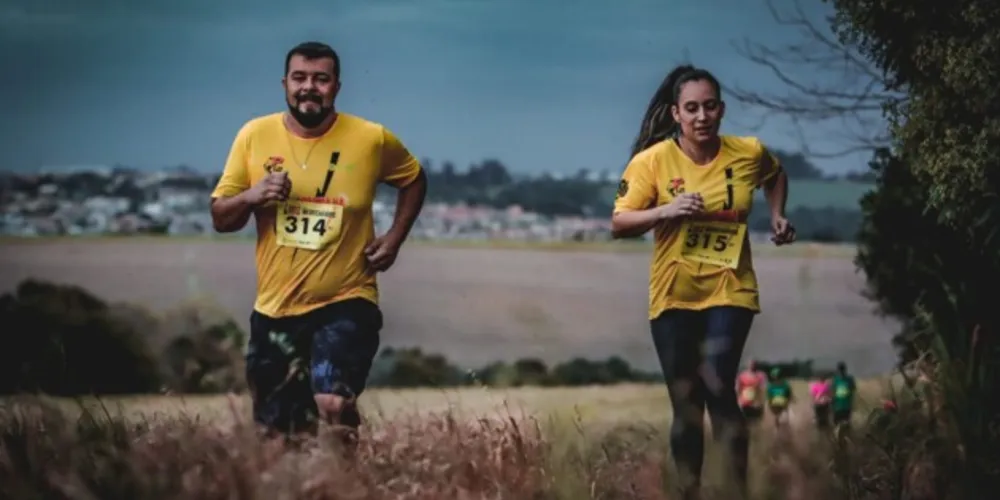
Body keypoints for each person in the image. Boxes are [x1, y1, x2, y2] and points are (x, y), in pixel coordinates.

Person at [209, 41, 427, 447]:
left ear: (336, 87)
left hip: (347, 297)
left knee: (331, 401)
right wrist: (251, 197)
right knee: (281, 438)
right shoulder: (254, 135)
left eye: (320, 79)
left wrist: (394, 238)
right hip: (275, 308)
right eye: (300, 78)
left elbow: (413, 178)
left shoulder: (371, 139)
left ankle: (348, 482)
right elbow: (222, 217)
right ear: (285, 84)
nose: (309, 87)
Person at [610, 63, 795, 496]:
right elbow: (619, 222)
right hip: (673, 295)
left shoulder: (747, 152)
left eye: (709, 107)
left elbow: (775, 174)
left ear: (722, 109)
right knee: (687, 404)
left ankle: (735, 490)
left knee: (717, 381)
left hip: (730, 287)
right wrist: (665, 211)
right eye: (691, 108)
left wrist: (777, 214)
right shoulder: (651, 162)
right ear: (676, 114)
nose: (701, 116)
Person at [831, 361, 857, 427]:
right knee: (836, 425)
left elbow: (853, 389)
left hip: (846, 406)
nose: (841, 372)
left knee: (846, 425)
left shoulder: (850, 379)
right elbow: (833, 392)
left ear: (845, 370)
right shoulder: (835, 380)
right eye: (840, 370)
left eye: (842, 370)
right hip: (837, 406)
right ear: (838, 371)